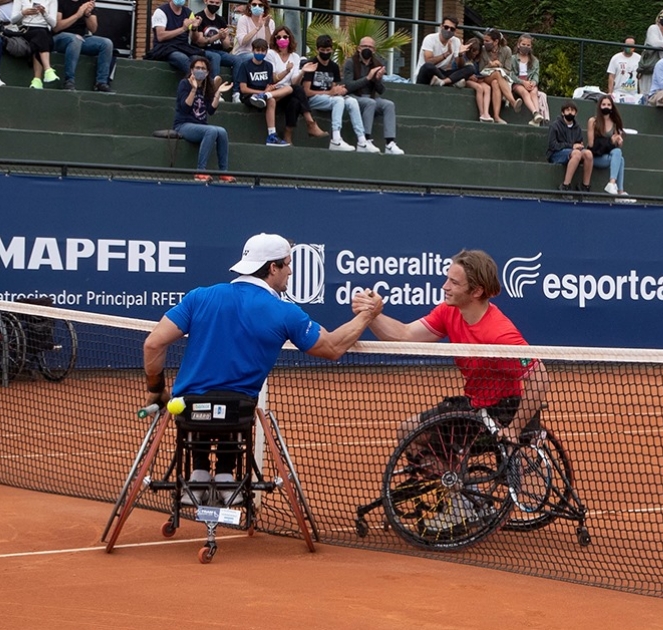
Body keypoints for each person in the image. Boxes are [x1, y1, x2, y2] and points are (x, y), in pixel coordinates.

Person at [144, 232, 383, 505]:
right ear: (273, 268)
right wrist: (367, 314)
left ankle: (198, 475)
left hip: (187, 412)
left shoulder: (199, 297)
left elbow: (152, 344)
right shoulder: (285, 312)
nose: (291, 271)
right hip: (238, 413)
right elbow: (333, 347)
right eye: (287, 264)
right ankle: (225, 478)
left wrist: (156, 389)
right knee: (232, 409)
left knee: (199, 408)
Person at [352, 248, 548, 462]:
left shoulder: (499, 334)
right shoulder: (449, 312)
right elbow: (403, 335)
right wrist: (371, 314)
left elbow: (539, 376)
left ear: (476, 291)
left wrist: (514, 429)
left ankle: (460, 488)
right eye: (448, 279)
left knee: (417, 434)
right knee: (408, 430)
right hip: (472, 407)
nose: (445, 286)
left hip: (501, 412)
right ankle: (456, 486)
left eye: (454, 283)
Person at [302, 34, 377, 153]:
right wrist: (330, 92)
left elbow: (333, 88)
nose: (325, 53)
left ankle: (362, 141)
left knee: (352, 101)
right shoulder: (312, 64)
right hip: (314, 99)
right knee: (339, 100)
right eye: (322, 50)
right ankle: (335, 138)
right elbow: (306, 91)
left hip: (329, 97)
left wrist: (338, 90)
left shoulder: (334, 66)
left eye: (328, 50)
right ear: (317, 50)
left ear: (331, 50)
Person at [173, 56, 234, 181]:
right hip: (183, 125)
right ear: (191, 70)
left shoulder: (207, 86)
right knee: (211, 130)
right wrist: (194, 89)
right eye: (197, 68)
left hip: (200, 124)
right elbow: (185, 108)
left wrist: (217, 94)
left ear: (207, 73)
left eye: (203, 68)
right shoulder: (184, 84)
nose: (200, 70)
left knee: (222, 131)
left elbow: (211, 110)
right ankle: (200, 171)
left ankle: (223, 172)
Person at [264, 25, 327, 144]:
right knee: (297, 89)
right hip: (275, 91)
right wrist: (286, 71)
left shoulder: (295, 57)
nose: (282, 39)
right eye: (279, 37)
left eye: (285, 37)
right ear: (275, 39)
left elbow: (294, 81)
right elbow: (273, 78)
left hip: (289, 92)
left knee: (295, 101)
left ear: (290, 38)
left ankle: (288, 133)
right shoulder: (271, 54)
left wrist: (303, 71)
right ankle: (310, 123)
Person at [343, 36, 405, 155]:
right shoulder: (351, 63)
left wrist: (377, 79)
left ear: (374, 50)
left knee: (388, 105)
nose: (367, 49)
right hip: (354, 97)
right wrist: (368, 78)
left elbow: (381, 90)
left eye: (370, 47)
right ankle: (365, 140)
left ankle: (390, 143)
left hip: (371, 97)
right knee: (370, 103)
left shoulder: (377, 64)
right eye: (364, 46)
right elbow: (348, 86)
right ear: (358, 48)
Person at [236, 38, 289, 146]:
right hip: (249, 96)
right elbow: (243, 89)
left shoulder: (268, 66)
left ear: (266, 51)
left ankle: (271, 136)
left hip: (264, 95)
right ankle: (262, 97)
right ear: (253, 50)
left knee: (284, 92)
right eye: (257, 50)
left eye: (263, 51)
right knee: (270, 99)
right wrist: (260, 92)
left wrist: (267, 91)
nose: (260, 53)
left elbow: (269, 85)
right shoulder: (245, 65)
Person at [53, 0, 115, 92]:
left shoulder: (86, 2)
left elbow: (93, 29)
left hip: (81, 38)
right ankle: (69, 80)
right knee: (75, 39)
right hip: (60, 38)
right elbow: (57, 27)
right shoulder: (60, 2)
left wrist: (87, 14)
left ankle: (101, 82)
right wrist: (78, 14)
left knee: (106, 43)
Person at [9, 0, 60, 89]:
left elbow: (53, 24)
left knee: (40, 37)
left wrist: (44, 13)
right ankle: (47, 69)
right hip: (26, 30)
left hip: (44, 31)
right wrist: (23, 13)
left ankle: (37, 80)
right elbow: (13, 20)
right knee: (40, 37)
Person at [145, 0, 203, 76]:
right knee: (182, 59)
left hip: (183, 47)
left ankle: (203, 82)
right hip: (165, 48)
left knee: (198, 59)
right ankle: (199, 81)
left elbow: (194, 40)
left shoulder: (189, 13)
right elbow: (161, 36)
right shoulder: (161, 11)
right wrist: (183, 29)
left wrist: (195, 28)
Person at [475, 28, 520, 125]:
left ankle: (496, 116)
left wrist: (499, 66)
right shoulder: (483, 50)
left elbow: (508, 70)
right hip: (484, 76)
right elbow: (480, 70)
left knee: (495, 82)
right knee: (496, 74)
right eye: (484, 40)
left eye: (487, 41)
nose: (485, 43)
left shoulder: (506, 50)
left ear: (496, 42)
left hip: (499, 78)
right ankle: (512, 101)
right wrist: (490, 66)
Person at [546, 100, 593, 192]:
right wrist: (572, 146)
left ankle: (585, 186)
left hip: (573, 154)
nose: (570, 112)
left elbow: (579, 143)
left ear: (576, 113)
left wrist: (579, 147)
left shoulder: (577, 127)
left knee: (588, 154)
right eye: (567, 110)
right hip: (556, 154)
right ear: (563, 112)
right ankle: (565, 185)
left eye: (572, 110)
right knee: (576, 154)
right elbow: (552, 145)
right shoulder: (555, 126)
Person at [587, 95, 629, 196]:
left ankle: (618, 190)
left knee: (619, 155)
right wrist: (610, 140)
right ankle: (614, 186)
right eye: (604, 104)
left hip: (607, 155)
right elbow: (592, 144)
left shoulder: (614, 123)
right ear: (599, 106)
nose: (606, 107)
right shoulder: (593, 121)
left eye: (609, 105)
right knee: (620, 158)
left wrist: (617, 141)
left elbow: (612, 147)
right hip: (595, 157)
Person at [193, 0, 237, 85]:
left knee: (237, 60)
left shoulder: (221, 20)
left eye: (217, 3)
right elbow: (199, 41)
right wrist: (217, 36)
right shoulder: (199, 17)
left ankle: (236, 91)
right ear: (205, 1)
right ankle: (214, 89)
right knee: (215, 57)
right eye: (212, 2)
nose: (214, 5)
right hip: (202, 50)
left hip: (219, 51)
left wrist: (223, 38)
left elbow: (226, 46)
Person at [232, 0, 274, 90]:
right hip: (243, 53)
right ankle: (236, 91)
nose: (257, 7)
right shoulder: (244, 19)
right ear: (250, 6)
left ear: (264, 7)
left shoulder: (270, 22)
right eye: (254, 4)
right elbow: (242, 41)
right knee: (252, 56)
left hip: (263, 53)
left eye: (260, 5)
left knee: (271, 57)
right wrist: (257, 28)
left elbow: (270, 44)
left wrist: (266, 26)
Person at [414, 16, 463, 85]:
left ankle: (444, 81)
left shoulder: (456, 41)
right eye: (446, 27)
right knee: (428, 66)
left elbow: (460, 66)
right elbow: (428, 61)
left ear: (455, 31)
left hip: (441, 72)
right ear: (441, 26)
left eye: (452, 29)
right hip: (426, 73)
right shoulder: (430, 38)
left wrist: (461, 54)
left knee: (470, 68)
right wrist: (446, 54)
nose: (448, 30)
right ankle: (450, 82)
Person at [508, 33, 545, 126]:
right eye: (523, 44)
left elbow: (536, 75)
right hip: (517, 82)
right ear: (518, 45)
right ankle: (535, 112)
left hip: (529, 82)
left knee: (534, 91)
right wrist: (522, 82)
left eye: (528, 45)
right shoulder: (513, 58)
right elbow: (510, 74)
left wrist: (533, 82)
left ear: (531, 46)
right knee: (524, 92)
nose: (525, 47)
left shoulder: (535, 61)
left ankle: (537, 117)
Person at [607, 36, 642, 104]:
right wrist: (610, 92)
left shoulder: (639, 59)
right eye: (627, 45)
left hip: (633, 94)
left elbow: (641, 77)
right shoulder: (616, 58)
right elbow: (611, 76)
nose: (629, 47)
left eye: (631, 45)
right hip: (617, 93)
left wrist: (640, 93)